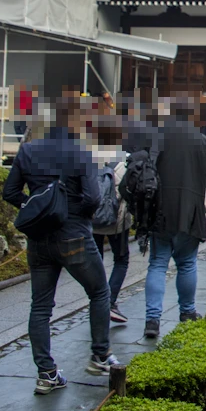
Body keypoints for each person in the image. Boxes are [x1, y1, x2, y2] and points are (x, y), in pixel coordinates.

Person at [3, 96, 118, 394]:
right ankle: (100, 355)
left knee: (40, 305)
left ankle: (46, 373)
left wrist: (32, 205)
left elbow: (10, 191)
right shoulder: (81, 153)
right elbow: (93, 198)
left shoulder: (28, 150)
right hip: (75, 235)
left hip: (39, 239)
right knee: (99, 291)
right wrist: (76, 212)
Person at [143, 97, 206, 339]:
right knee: (187, 263)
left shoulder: (158, 136)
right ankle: (187, 311)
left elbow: (148, 171)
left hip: (161, 210)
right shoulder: (201, 139)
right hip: (190, 210)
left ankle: (152, 319)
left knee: (157, 264)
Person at [91, 121, 130, 325]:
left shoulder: (88, 160)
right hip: (117, 222)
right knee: (121, 260)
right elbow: (128, 191)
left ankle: (96, 302)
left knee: (95, 263)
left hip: (92, 220)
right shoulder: (122, 162)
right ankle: (109, 301)